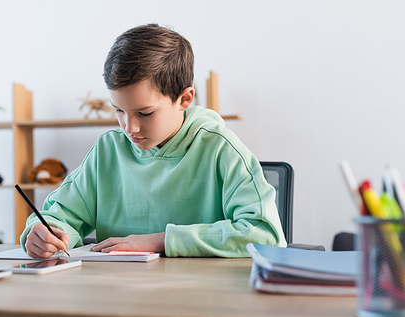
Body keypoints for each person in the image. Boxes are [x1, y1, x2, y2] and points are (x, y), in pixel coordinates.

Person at [20, 23, 286, 258]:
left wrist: (161, 241)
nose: (129, 127)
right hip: (115, 297)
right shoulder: (107, 151)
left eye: (144, 113)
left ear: (184, 99)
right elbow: (59, 217)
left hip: (199, 299)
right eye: (119, 110)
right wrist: (45, 233)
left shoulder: (220, 149)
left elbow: (264, 234)